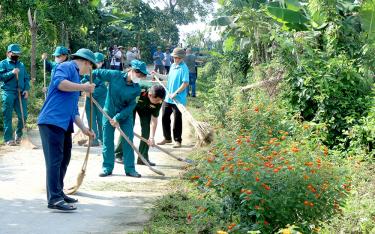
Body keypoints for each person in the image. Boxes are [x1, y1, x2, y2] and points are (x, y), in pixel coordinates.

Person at [38, 48, 96, 211]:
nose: (89, 70)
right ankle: (54, 199)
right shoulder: (67, 67)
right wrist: (83, 87)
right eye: (90, 66)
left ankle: (58, 191)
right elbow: (60, 84)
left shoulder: (77, 76)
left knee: (64, 159)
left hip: (64, 123)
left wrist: (84, 129)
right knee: (54, 161)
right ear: (86, 62)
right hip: (51, 121)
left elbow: (73, 110)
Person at [91, 60, 149, 178]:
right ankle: (107, 167)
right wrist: (87, 84)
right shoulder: (114, 75)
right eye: (140, 75)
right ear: (133, 71)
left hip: (125, 116)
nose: (140, 78)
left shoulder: (136, 89)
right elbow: (95, 72)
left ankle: (130, 169)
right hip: (108, 113)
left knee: (128, 140)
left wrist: (118, 117)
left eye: (142, 76)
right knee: (107, 141)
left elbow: (131, 106)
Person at [115, 83, 166, 166]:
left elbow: (154, 119)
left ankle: (143, 158)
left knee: (146, 131)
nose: (158, 102)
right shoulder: (138, 89)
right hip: (132, 106)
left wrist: (152, 137)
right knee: (128, 128)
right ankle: (118, 154)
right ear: (150, 95)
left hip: (146, 109)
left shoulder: (159, 100)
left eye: (159, 101)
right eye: (156, 100)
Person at [155, 48, 189, 148]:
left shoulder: (184, 68)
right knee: (164, 117)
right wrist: (157, 74)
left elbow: (185, 83)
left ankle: (178, 140)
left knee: (177, 119)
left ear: (182, 58)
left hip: (178, 99)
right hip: (168, 97)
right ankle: (167, 138)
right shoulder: (173, 66)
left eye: (178, 58)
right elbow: (168, 77)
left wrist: (176, 93)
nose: (176, 60)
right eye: (174, 57)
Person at [0, 44, 30, 146]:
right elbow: (1, 77)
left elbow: (26, 78)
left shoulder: (21, 65)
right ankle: (8, 138)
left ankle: (19, 135)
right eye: (14, 53)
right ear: (8, 53)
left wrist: (26, 89)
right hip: (8, 92)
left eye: (18, 54)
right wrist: (12, 72)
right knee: (7, 116)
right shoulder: (3, 64)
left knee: (23, 115)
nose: (16, 55)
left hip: (20, 93)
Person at [80, 52, 108, 147]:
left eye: (99, 62)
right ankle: (93, 139)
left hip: (101, 99)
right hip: (89, 99)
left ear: (102, 62)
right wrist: (84, 87)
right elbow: (83, 81)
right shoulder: (88, 72)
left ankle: (103, 139)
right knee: (91, 118)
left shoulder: (104, 74)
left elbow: (103, 87)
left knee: (101, 119)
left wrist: (92, 91)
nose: (97, 64)